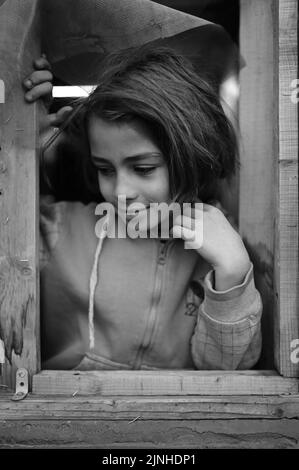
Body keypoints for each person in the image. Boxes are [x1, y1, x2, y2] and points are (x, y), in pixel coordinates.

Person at [24, 46, 262, 371]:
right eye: (105, 169)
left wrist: (233, 274)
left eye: (144, 168)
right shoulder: (58, 229)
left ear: (193, 157)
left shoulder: (219, 250)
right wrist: (15, 135)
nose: (121, 191)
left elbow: (226, 374)